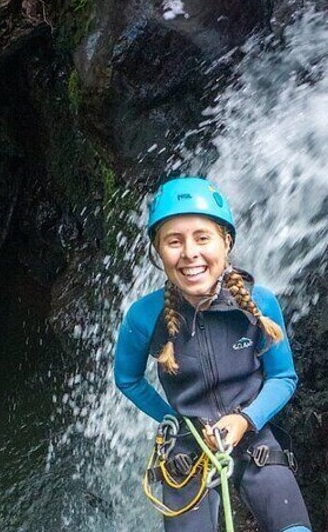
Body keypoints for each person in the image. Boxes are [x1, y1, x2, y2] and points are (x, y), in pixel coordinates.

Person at [114, 177, 312, 532]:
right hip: (187, 449)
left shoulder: (260, 303)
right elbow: (126, 378)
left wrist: (245, 420)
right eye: (174, 242)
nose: (189, 253)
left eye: (202, 238)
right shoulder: (144, 317)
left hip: (253, 436)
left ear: (226, 242)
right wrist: (175, 419)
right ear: (159, 252)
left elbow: (283, 376)